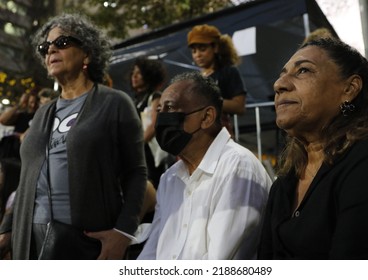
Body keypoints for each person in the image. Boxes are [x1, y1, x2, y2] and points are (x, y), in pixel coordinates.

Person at [0, 13, 147, 260]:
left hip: (85, 242)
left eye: (62, 43)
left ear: (87, 53)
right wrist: (7, 229)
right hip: (29, 239)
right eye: (45, 47)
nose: (51, 51)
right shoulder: (42, 112)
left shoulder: (114, 102)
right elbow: (27, 179)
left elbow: (136, 173)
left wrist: (123, 232)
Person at [258, 38, 368, 259]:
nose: (279, 84)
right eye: (283, 73)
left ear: (349, 88)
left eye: (303, 71)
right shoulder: (284, 183)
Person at [137, 71, 272, 260]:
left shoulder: (238, 168)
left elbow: (219, 262)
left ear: (207, 117)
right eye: (160, 110)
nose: (162, 119)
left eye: (170, 107)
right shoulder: (169, 178)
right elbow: (153, 252)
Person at [187, 24, 246, 135]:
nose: (197, 55)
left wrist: (207, 101)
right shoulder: (195, 78)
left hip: (221, 133)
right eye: (194, 51)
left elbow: (239, 107)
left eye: (202, 49)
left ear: (215, 47)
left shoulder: (228, 71)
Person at [130, 57, 170, 188]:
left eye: (139, 73)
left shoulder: (155, 96)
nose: (134, 76)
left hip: (150, 152)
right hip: (140, 150)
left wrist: (136, 145)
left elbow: (154, 125)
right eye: (133, 73)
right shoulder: (135, 100)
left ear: (148, 76)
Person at [0, 92, 39, 160]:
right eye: (31, 102)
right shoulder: (22, 115)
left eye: (36, 103)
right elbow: (3, 120)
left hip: (27, 152)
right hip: (12, 151)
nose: (33, 105)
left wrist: (22, 135)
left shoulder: (39, 117)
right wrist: (20, 104)